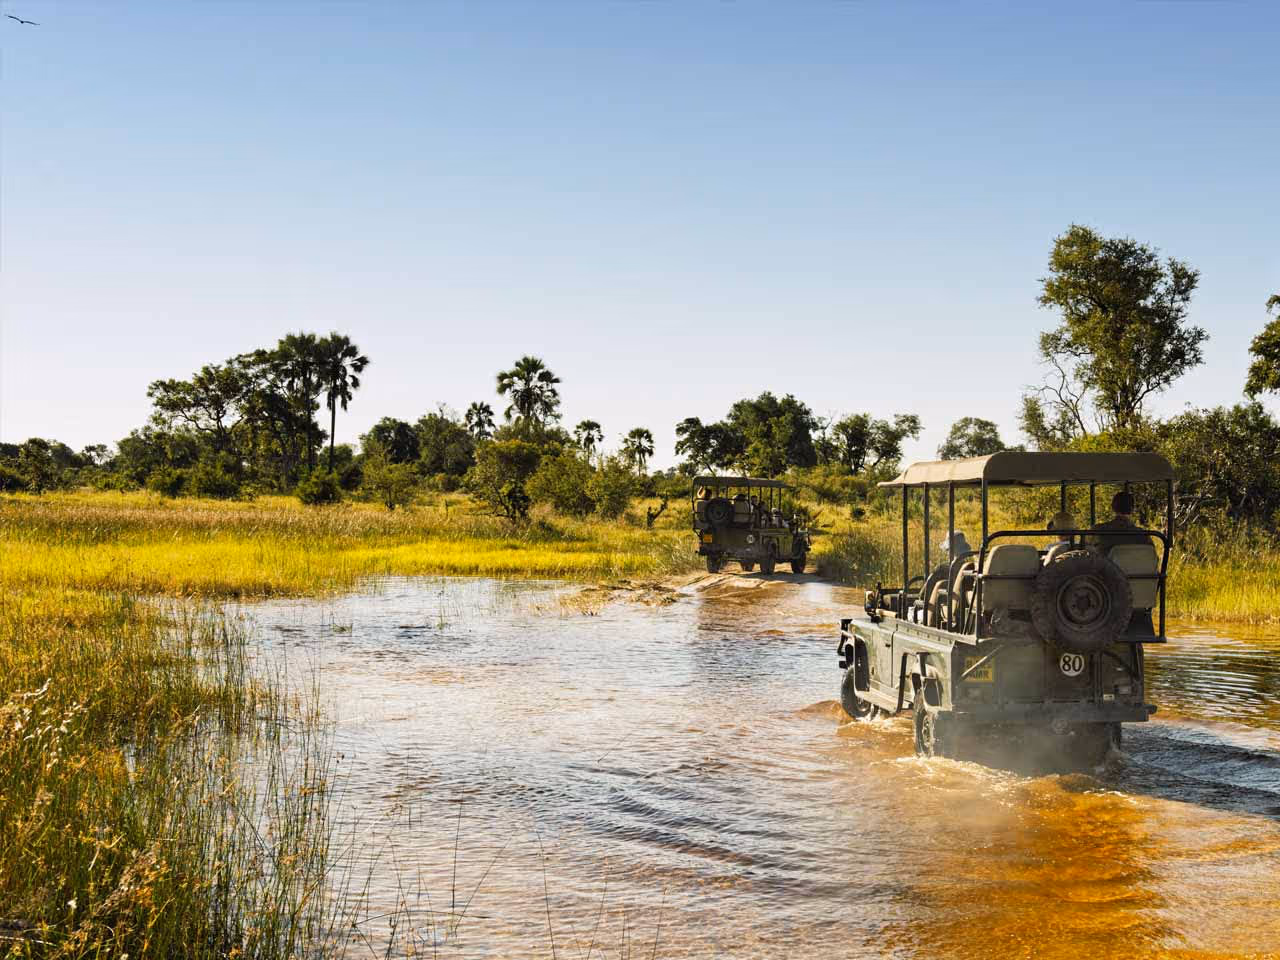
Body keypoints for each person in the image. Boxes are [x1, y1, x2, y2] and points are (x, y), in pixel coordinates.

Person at [1087, 491, 1152, 551]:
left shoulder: (1098, 530)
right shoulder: (1143, 535)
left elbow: (1086, 550)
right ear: (1132, 509)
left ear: (1113, 507)